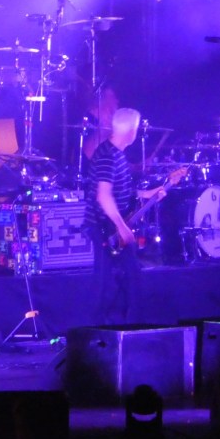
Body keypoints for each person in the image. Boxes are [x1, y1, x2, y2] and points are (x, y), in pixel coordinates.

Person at [85, 108, 167, 324]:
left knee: (126, 278)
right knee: (108, 282)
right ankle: (101, 329)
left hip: (111, 226)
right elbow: (103, 196)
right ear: (132, 131)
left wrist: (147, 194)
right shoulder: (108, 157)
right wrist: (121, 227)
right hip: (104, 227)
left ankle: (123, 326)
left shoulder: (115, 154)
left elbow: (120, 191)